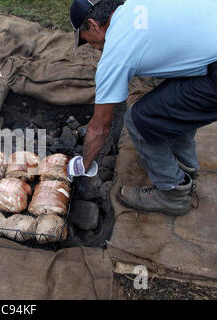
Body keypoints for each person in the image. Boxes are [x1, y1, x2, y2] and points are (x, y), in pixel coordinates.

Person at [66, 0, 217, 216]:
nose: (92, 47)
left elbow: (100, 128)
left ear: (93, 25)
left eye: (86, 40)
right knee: (173, 106)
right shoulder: (137, 4)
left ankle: (172, 193)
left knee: (139, 120)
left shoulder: (116, 53)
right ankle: (185, 170)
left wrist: (84, 165)